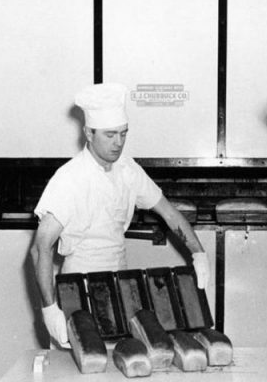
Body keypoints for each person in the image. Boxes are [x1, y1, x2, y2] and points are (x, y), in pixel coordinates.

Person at [30, 82, 210, 348]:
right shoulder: (70, 179)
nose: (118, 143)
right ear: (89, 133)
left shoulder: (128, 169)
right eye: (110, 135)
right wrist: (50, 310)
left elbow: (169, 214)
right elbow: (40, 247)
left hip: (121, 285)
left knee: (120, 365)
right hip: (78, 286)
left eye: (123, 134)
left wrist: (199, 253)